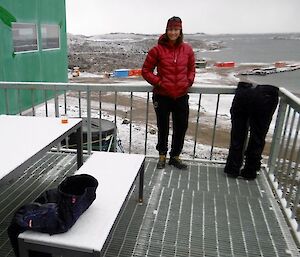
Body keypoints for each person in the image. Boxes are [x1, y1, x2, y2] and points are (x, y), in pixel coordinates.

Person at [142, 16, 195, 170]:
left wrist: (188, 81)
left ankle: (175, 156)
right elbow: (146, 71)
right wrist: (159, 82)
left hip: (181, 96)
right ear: (166, 30)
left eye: (176, 29)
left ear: (180, 31)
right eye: (170, 29)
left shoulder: (187, 49)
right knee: (163, 126)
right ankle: (162, 155)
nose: (173, 32)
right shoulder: (157, 50)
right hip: (162, 96)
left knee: (181, 126)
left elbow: (192, 69)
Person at [224, 81, 279, 180]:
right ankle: (250, 170)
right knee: (258, 135)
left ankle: (233, 168)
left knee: (238, 133)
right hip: (266, 93)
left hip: (244, 90)